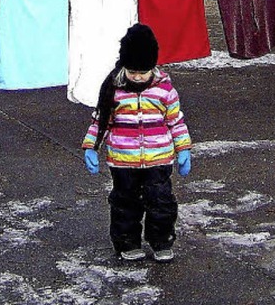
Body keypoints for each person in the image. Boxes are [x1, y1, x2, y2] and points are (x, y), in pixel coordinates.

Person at [82, 24, 192, 262]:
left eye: (143, 71)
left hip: (158, 159)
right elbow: (100, 121)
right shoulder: (114, 91)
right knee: (125, 203)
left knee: (161, 202)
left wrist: (183, 148)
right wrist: (91, 146)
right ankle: (127, 242)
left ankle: (161, 241)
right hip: (123, 161)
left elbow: (176, 121)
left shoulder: (165, 91)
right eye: (133, 71)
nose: (138, 77)